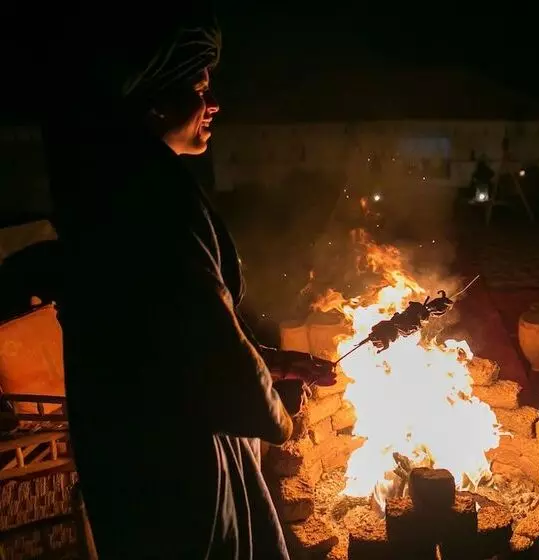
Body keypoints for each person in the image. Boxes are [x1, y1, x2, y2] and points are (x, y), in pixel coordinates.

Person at [43, 7, 333, 558]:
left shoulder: (114, 183)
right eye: (200, 87)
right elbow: (205, 338)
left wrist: (278, 361)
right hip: (173, 458)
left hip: (133, 444)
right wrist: (277, 417)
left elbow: (171, 327)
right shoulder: (151, 197)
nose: (214, 103)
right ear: (154, 100)